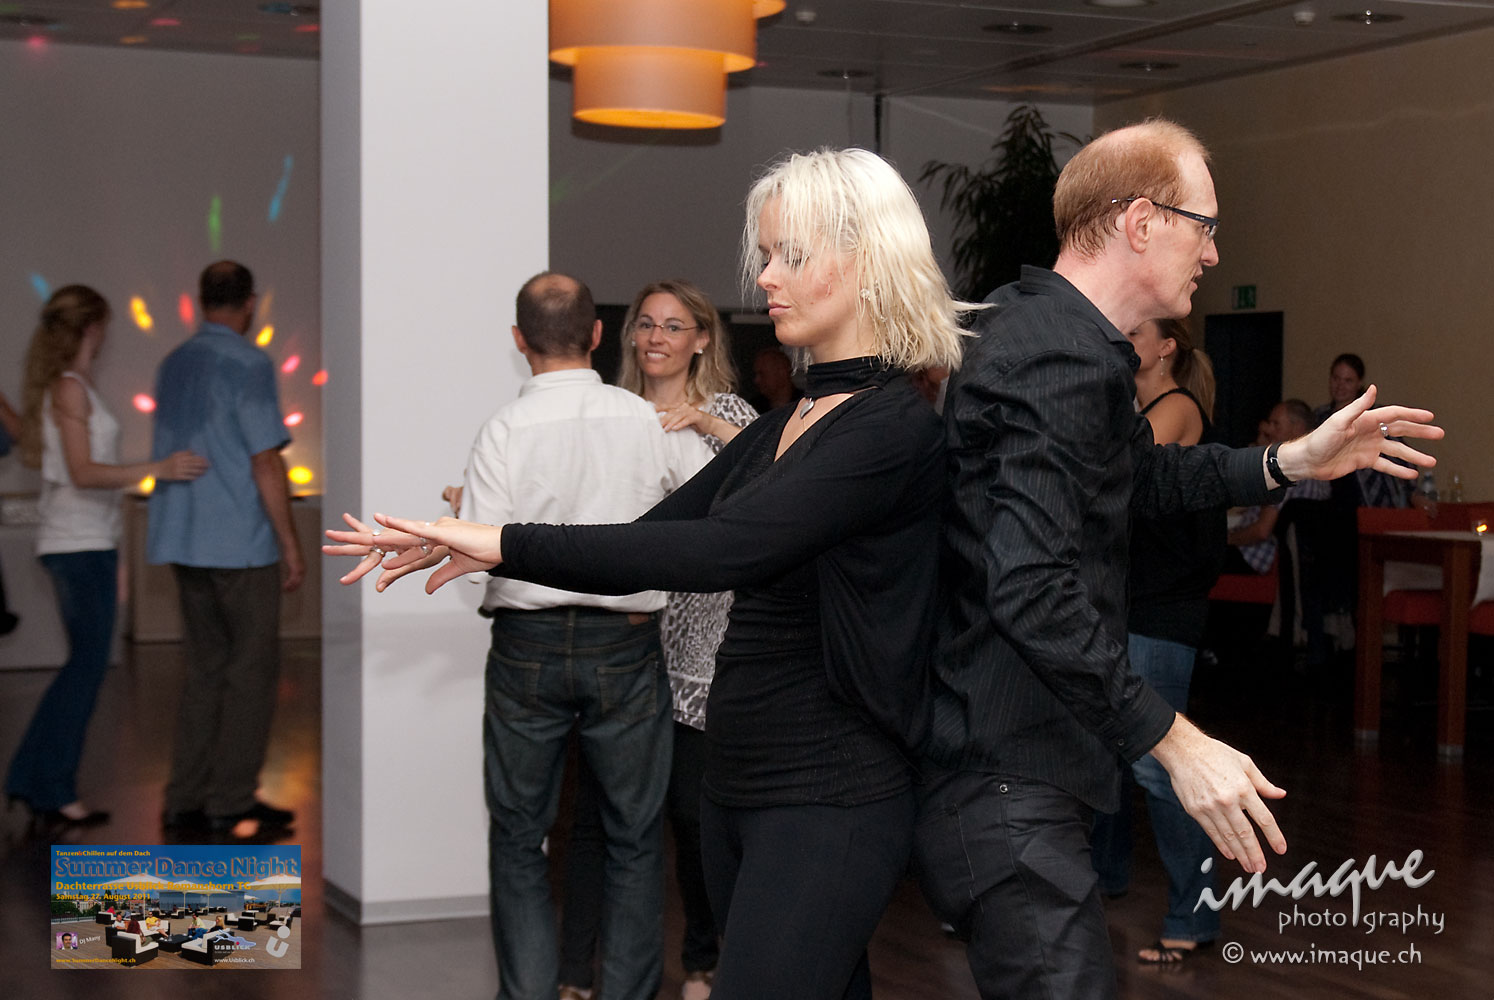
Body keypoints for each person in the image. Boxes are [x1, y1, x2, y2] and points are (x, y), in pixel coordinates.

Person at [326, 147, 973, 1000]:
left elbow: (721, 551)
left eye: (790, 254)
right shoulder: (786, 424)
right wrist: (477, 540)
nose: (766, 277)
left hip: (830, 789)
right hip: (744, 778)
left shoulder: (889, 430)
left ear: (867, 260)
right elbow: (648, 539)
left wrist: (506, 541)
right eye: (766, 254)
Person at [915, 118, 1441, 1000]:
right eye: (1205, 225)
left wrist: (1292, 460)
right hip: (1006, 773)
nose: (1213, 251)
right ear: (1139, 221)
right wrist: (1177, 741)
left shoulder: (1053, 332)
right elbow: (1031, 588)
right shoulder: (1053, 354)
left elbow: (1144, 476)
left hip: (1015, 770)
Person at [559, 280, 757, 1000]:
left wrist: (703, 422)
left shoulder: (730, 415)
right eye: (646, 324)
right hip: (622, 639)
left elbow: (774, 472)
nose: (656, 338)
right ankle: (576, 972)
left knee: (691, 814)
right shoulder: (611, 412)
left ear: (701, 339)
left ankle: (704, 957)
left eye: (674, 326)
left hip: (703, 646)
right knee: (598, 812)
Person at [4, 286, 207, 832]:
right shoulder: (71, 387)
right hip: (77, 544)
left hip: (85, 541)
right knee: (86, 669)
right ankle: (49, 789)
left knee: (83, 668)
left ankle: (31, 781)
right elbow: (82, 473)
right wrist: (156, 468)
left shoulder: (69, 386)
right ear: (94, 327)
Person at [1088, 317, 1225, 964]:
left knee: (1160, 762)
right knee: (1113, 751)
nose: (1121, 339)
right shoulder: (1142, 409)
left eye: (1136, 333)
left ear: (1166, 347)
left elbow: (1111, 471)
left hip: (1163, 613)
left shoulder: (1176, 408)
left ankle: (1193, 915)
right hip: (1131, 606)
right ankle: (1106, 878)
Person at [150, 261, 303, 839]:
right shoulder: (248, 362)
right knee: (251, 673)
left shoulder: (174, 362)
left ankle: (184, 798)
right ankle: (231, 800)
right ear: (250, 302)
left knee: (204, 670)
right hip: (239, 540)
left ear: (200, 301)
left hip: (183, 533)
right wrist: (290, 544)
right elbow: (264, 458)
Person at [748, 345, 794, 412]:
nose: (756, 380)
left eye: (762, 374)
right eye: (756, 375)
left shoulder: (803, 402)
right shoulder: (754, 407)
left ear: (782, 372)